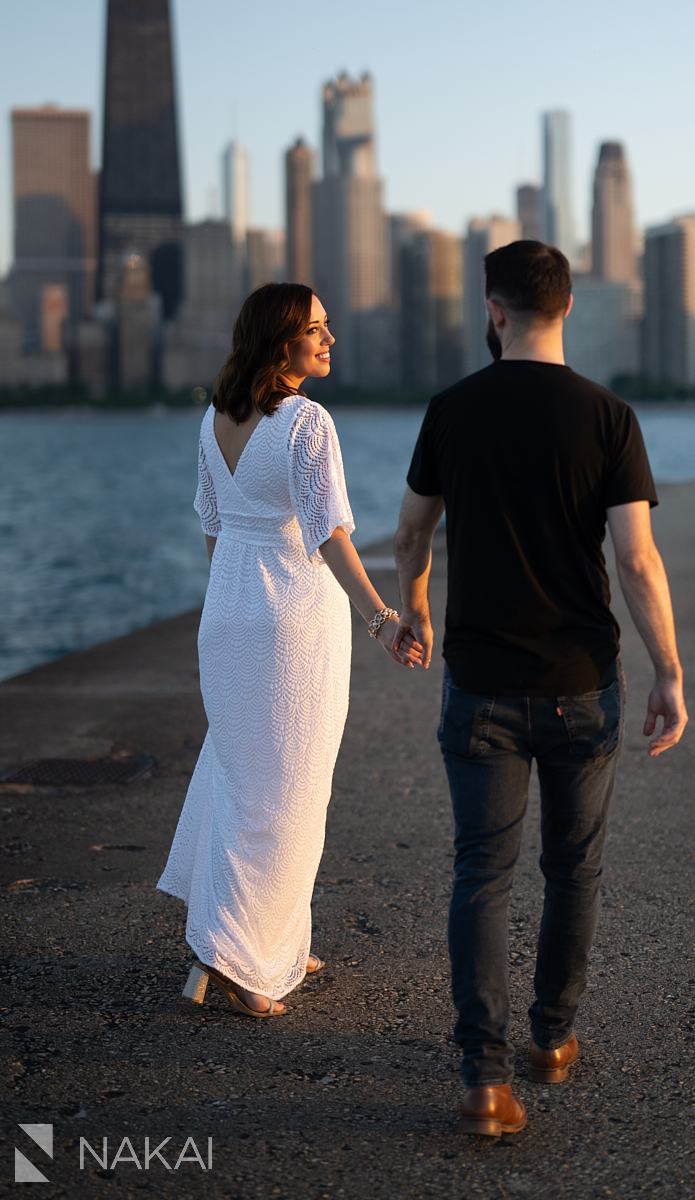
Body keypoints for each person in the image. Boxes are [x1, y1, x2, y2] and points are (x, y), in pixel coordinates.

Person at [393, 240, 687, 1136]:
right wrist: (670, 672)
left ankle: (483, 1080)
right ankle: (551, 1040)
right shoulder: (607, 416)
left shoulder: (451, 410)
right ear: (566, 309)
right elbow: (635, 559)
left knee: (481, 873)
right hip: (580, 686)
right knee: (574, 869)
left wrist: (414, 608)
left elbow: (410, 534)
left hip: (478, 681)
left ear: (493, 308)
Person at [158, 282, 421, 1017]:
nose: (329, 339)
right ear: (282, 343)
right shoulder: (305, 421)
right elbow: (328, 533)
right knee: (289, 790)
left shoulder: (215, 419)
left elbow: (213, 526)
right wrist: (379, 620)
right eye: (316, 329)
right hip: (289, 618)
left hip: (231, 611)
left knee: (241, 781)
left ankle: (257, 938)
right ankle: (242, 963)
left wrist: (233, 603)